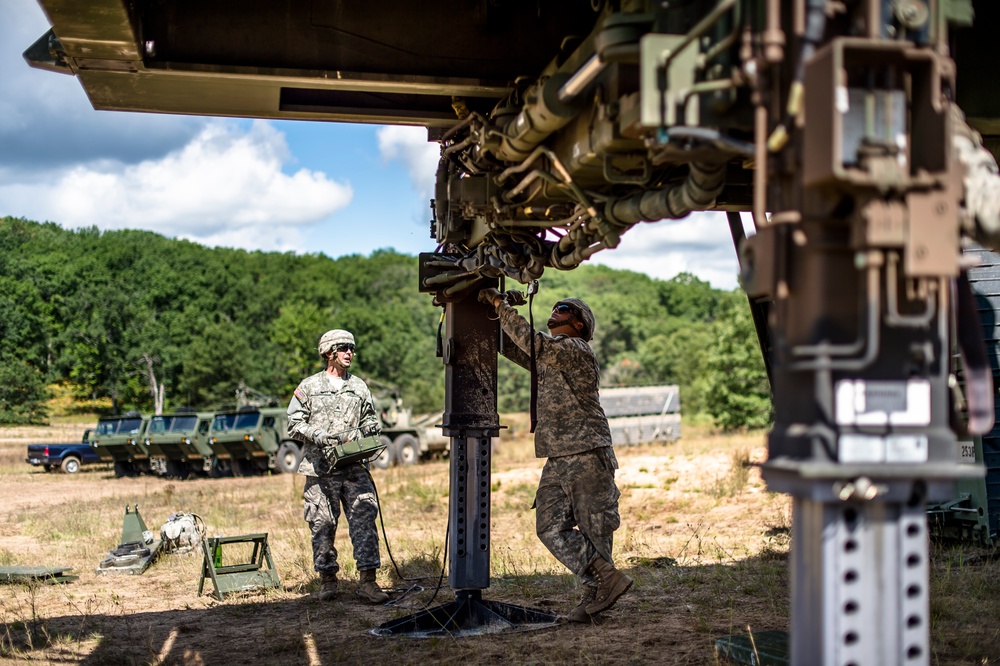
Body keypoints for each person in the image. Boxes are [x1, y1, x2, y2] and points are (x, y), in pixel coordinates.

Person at [479, 288, 633, 622]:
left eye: (562, 309)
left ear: (579, 325)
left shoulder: (574, 349)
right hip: (558, 454)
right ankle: (603, 582)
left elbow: (532, 343)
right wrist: (494, 311)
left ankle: (593, 598)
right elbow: (511, 344)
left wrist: (499, 304)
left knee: (595, 528)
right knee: (549, 526)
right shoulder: (550, 355)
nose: (554, 310)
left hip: (586, 450)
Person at [286, 328, 389, 604]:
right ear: (329, 353)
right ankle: (328, 580)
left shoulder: (359, 387)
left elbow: (369, 419)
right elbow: (294, 424)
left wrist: (368, 430)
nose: (349, 353)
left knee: (365, 518)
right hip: (320, 470)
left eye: (351, 349)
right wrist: (318, 435)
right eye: (344, 348)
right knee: (322, 524)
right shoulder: (308, 387)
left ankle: (368, 582)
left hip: (354, 467)